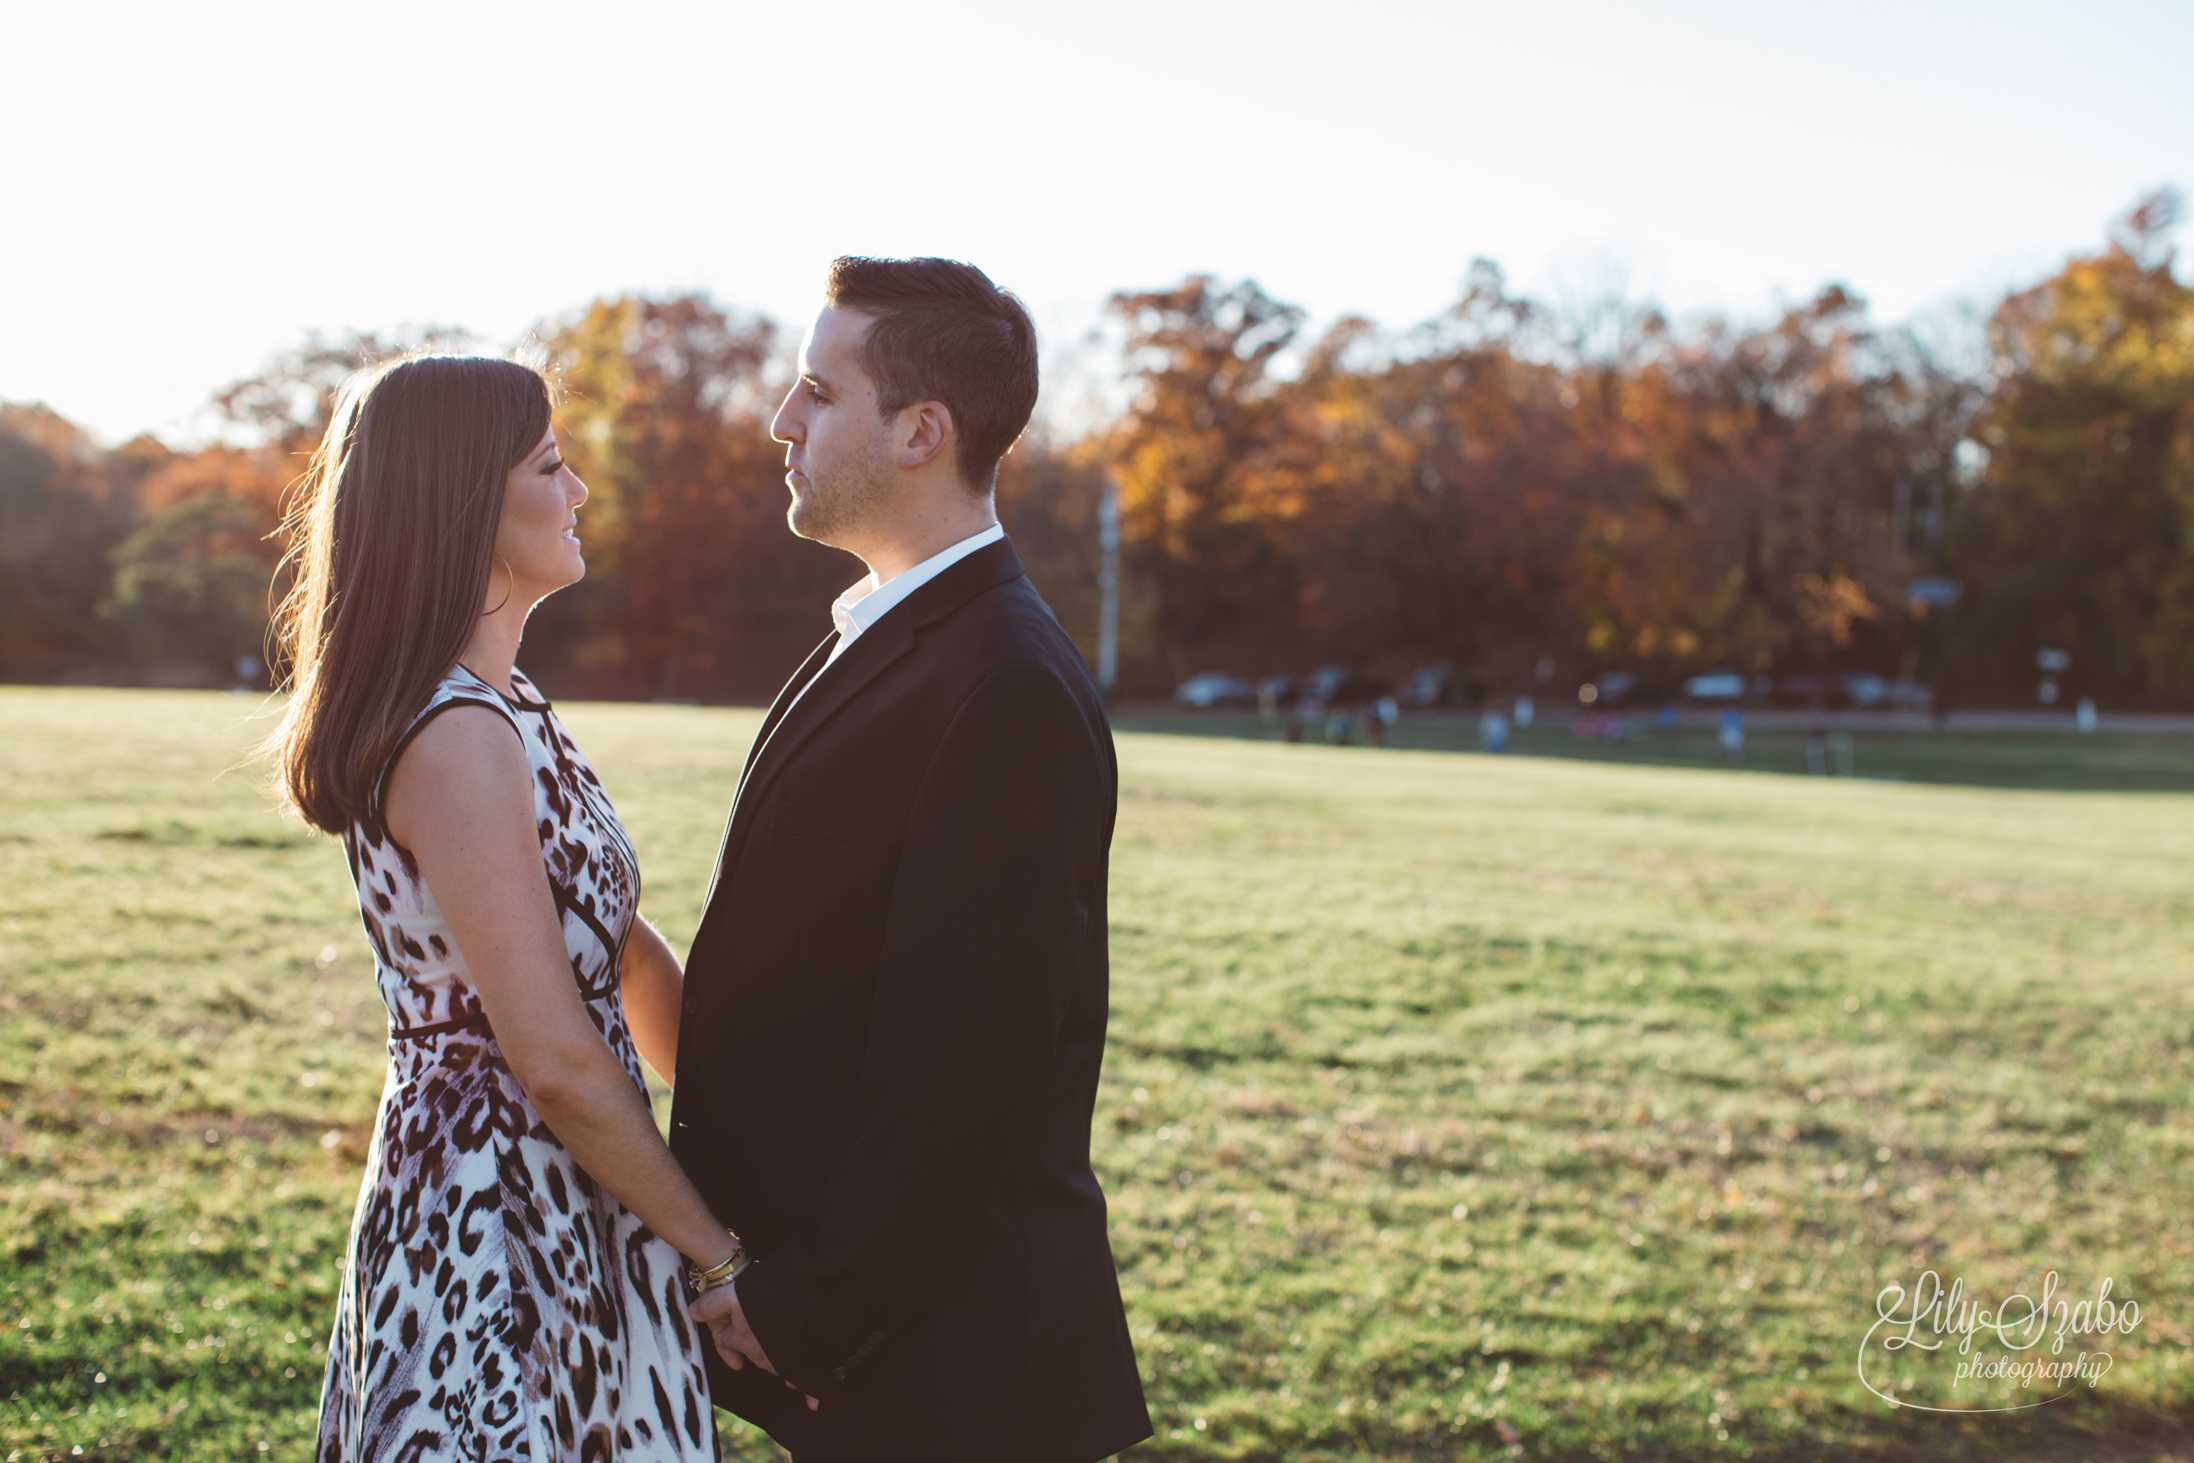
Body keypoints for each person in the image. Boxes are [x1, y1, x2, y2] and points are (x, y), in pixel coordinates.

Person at [671, 258, 1151, 1462]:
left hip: (958, 1375)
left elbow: (966, 1065)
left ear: (920, 432)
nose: (782, 419)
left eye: (816, 391)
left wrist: (804, 1306)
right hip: (889, 1356)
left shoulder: (1005, 683)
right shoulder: (892, 631)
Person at [264, 355, 745, 1461]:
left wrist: (749, 1138)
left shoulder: (510, 705)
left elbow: (621, 955)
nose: (578, 491)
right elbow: (554, 1057)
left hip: (582, 1189)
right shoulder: (457, 734)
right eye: (551, 465)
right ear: (464, 499)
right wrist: (715, 1255)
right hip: (494, 1226)